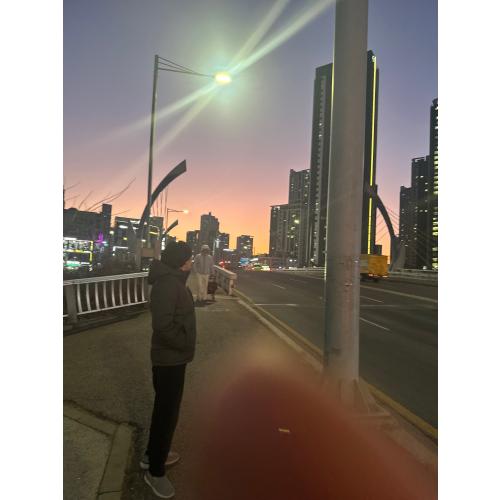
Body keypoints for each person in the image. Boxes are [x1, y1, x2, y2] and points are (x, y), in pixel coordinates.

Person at [142, 241, 196, 499]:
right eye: (189, 259)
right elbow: (162, 326)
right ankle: (155, 471)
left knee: (163, 410)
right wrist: (184, 342)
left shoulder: (173, 281)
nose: (191, 262)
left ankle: (152, 455)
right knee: (167, 414)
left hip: (173, 358)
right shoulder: (168, 284)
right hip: (169, 359)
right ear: (179, 262)